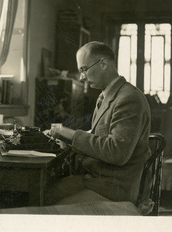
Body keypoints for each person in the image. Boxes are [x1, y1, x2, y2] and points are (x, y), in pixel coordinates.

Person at [44, 41, 151, 206]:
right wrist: (65, 137)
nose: (81, 77)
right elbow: (101, 136)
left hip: (116, 187)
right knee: (43, 193)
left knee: (52, 205)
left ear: (103, 63)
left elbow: (117, 151)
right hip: (99, 179)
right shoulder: (106, 96)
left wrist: (72, 135)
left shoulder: (129, 98)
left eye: (84, 69)